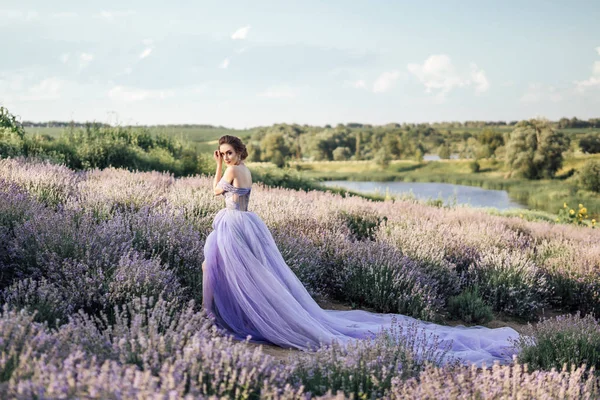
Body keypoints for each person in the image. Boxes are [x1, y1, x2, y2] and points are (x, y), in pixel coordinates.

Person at [202, 135, 519, 366]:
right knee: (238, 271)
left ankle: (210, 315)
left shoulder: (231, 170)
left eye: (229, 152)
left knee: (227, 269)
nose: (227, 157)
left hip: (235, 224)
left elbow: (215, 190)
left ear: (238, 152)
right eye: (224, 153)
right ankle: (223, 313)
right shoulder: (247, 170)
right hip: (245, 223)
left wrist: (216, 165)